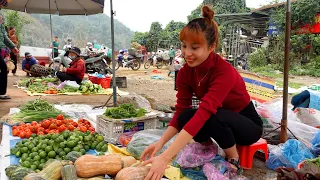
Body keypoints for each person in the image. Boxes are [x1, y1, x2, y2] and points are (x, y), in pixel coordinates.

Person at [140, 6, 263, 179]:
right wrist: (159, 144)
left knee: (210, 114)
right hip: (219, 120)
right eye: (184, 46)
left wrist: (166, 158)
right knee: (185, 116)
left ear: (211, 46)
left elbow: (206, 111)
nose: (187, 53)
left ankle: (233, 158)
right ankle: (207, 148)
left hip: (247, 124)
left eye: (195, 48)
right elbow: (181, 110)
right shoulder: (184, 72)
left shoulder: (224, 71)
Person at [0, 13, 19, 100]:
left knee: (3, 68)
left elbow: (4, 37)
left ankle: (1, 92)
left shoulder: (2, 26)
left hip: (1, 49)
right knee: (3, 67)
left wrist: (13, 47)